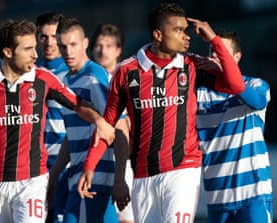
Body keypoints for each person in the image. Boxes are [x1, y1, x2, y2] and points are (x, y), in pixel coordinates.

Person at [78, 2, 245, 223]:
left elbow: (236, 85)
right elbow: (107, 125)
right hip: (143, 177)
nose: (186, 36)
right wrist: (89, 165)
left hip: (183, 170)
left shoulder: (192, 65)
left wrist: (213, 39)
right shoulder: (127, 72)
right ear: (158, 35)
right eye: (178, 30)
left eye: (186, 30)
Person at [0, 19, 114, 223]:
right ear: (8, 52)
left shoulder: (43, 79)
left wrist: (98, 121)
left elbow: (77, 104)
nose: (36, 54)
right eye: (28, 49)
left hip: (32, 182)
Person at [196, 29, 273, 223]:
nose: (215, 55)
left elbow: (256, 101)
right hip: (217, 201)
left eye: (220, 50)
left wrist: (213, 38)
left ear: (236, 57)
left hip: (253, 196)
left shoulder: (256, 85)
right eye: (212, 50)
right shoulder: (198, 96)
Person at [47, 16, 119, 223]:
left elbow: (112, 125)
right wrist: (55, 175)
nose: (68, 52)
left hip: (95, 177)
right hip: (76, 177)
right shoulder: (66, 81)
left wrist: (115, 175)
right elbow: (71, 136)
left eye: (73, 44)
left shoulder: (94, 77)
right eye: (63, 46)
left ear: (85, 44)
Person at [91, 23, 134, 223]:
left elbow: (124, 127)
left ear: (118, 50)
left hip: (121, 164)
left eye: (108, 46)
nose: (102, 50)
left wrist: (122, 174)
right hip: (95, 164)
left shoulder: (125, 80)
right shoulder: (88, 80)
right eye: (99, 45)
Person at [35, 12, 69, 223]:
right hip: (33, 169)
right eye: (43, 36)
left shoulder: (73, 73)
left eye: (54, 36)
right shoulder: (29, 74)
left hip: (63, 165)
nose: (49, 43)